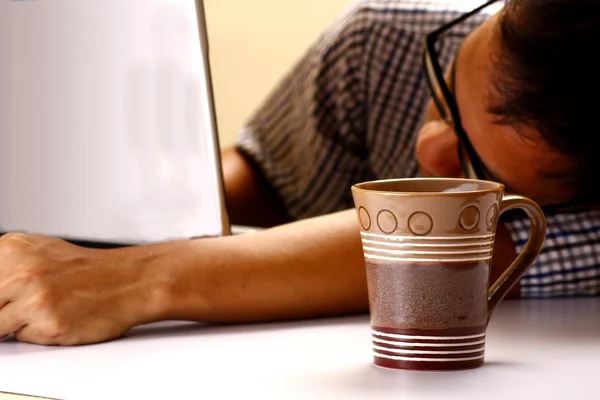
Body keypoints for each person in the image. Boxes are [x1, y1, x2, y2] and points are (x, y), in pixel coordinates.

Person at [0, 0, 598, 346]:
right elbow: (264, 181)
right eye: (442, 93)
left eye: (476, 171)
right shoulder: (381, 36)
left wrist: (130, 280)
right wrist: (119, 212)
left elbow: (462, 248)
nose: (429, 149)